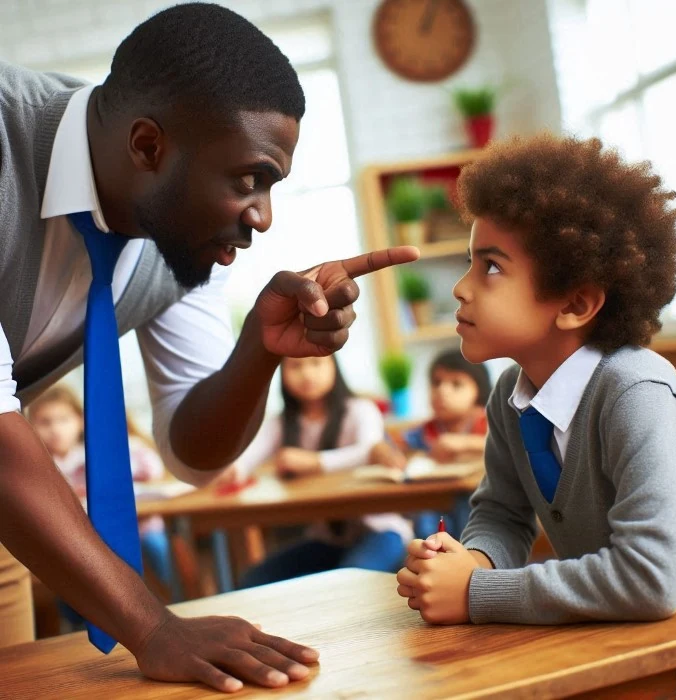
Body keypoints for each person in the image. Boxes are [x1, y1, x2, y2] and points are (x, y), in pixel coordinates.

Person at [0, 3, 418, 692]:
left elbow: (193, 454)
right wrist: (152, 625)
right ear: (147, 146)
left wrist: (260, 348)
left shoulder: (175, 233)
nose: (262, 216)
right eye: (248, 179)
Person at [397, 134, 676, 626]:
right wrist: (466, 565)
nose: (460, 288)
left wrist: (476, 591)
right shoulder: (511, 395)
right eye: (468, 263)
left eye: (491, 266)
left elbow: (653, 577)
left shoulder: (637, 394)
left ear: (576, 304)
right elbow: (502, 513)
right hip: (624, 638)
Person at [217, 355, 412, 587]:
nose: (307, 374)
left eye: (317, 363)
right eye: (295, 366)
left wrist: (314, 462)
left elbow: (369, 450)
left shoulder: (360, 409)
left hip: (382, 531)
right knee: (254, 581)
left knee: (349, 583)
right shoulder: (282, 422)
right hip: (327, 539)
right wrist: (234, 469)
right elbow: (245, 460)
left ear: (334, 366)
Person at [26, 385, 174, 590]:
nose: (55, 430)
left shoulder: (97, 451)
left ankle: (172, 597)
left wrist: (118, 447)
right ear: (30, 425)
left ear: (80, 420)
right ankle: (75, 619)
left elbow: (152, 468)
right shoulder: (39, 466)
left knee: (156, 548)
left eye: (63, 420)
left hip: (140, 528)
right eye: (45, 422)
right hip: (85, 541)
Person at [371, 349, 491, 538]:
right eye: (436, 383)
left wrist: (466, 443)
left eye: (456, 384)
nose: (442, 391)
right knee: (427, 521)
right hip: (438, 505)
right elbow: (390, 441)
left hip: (480, 506)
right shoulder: (427, 430)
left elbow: (509, 444)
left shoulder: (489, 423)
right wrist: (381, 450)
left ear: (480, 392)